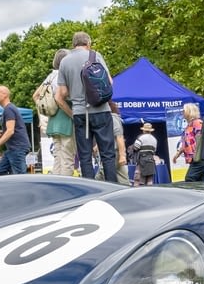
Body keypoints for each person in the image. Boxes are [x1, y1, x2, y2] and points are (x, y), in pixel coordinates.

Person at [55, 31, 118, 182]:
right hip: (101, 110)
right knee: (107, 155)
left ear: (73, 44)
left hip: (80, 113)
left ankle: (90, 189)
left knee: (85, 156)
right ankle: (112, 187)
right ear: (88, 43)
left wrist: (74, 99)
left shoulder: (65, 62)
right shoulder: (95, 56)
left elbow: (62, 93)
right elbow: (110, 82)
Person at [36, 49, 77, 176]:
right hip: (66, 120)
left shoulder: (50, 76)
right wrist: (72, 115)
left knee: (58, 157)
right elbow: (61, 98)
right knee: (68, 157)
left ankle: (56, 182)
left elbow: (36, 96)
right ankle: (66, 184)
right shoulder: (64, 75)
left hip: (53, 120)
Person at [0, 86, 30, 175]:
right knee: (0, 170)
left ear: (5, 95)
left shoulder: (8, 109)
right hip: (13, 148)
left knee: (20, 175)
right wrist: (2, 133)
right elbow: (14, 128)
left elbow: (10, 131)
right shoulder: (9, 109)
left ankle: (20, 184)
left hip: (17, 148)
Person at [173, 102, 204, 182]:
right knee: (199, 180)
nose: (182, 112)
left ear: (189, 111)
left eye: (184, 111)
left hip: (199, 157)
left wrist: (197, 154)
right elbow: (185, 143)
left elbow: (201, 139)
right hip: (193, 158)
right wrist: (177, 154)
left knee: (189, 178)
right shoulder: (188, 126)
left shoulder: (197, 123)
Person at [129, 122, 158, 186]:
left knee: (138, 180)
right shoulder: (154, 139)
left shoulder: (141, 138)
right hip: (151, 161)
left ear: (144, 130)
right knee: (149, 181)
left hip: (142, 160)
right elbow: (154, 151)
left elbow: (136, 147)